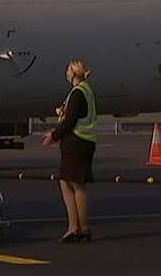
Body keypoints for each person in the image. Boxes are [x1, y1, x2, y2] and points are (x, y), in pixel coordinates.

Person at [42, 60, 98, 243]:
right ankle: (76, 226)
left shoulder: (78, 93)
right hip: (83, 142)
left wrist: (54, 135)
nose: (66, 72)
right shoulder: (85, 90)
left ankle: (80, 227)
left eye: (68, 70)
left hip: (77, 143)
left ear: (74, 73)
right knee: (68, 182)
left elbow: (70, 120)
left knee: (76, 184)